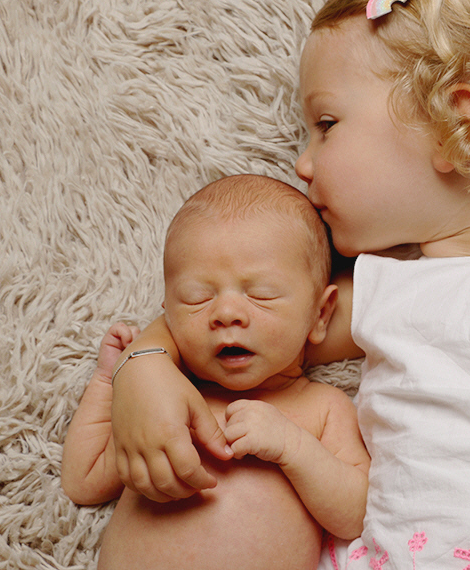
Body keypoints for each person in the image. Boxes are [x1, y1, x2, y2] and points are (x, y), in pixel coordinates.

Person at [101, 0, 470, 567]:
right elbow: (226, 325)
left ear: (456, 123)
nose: (302, 164)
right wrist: (144, 370)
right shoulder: (386, 289)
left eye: (326, 125)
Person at [61, 174, 370, 570]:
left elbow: (355, 514)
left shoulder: (322, 407)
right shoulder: (165, 403)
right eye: (197, 297)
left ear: (321, 314)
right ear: (168, 314)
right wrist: (111, 380)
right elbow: (83, 480)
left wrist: (292, 448)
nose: (225, 313)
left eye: (260, 294)